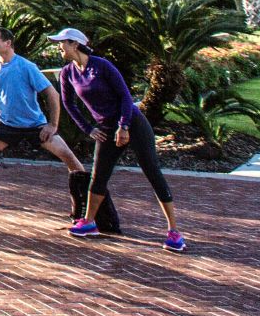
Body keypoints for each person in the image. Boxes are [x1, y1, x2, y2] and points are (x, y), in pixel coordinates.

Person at [50, 28, 188, 252]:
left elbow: (125, 96)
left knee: (152, 171)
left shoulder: (102, 66)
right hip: (105, 128)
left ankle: (174, 232)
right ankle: (89, 222)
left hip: (132, 122)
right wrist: (88, 129)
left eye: (61, 43)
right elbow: (69, 104)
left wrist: (123, 126)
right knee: (98, 175)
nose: (58, 47)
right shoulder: (67, 73)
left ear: (75, 44)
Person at [0, 28, 86, 208]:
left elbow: (52, 94)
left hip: (35, 126)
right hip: (7, 125)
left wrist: (52, 125)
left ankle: (86, 197)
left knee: (69, 157)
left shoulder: (27, 67)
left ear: (8, 43)